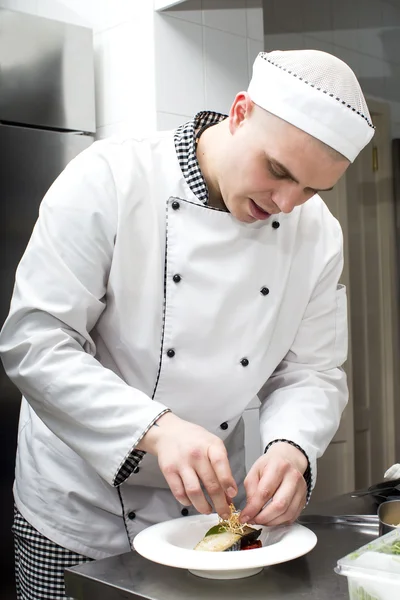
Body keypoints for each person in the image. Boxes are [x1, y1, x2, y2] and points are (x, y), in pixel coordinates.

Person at [0, 48, 374, 599]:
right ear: (240, 111)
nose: (287, 204)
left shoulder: (318, 233)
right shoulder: (111, 178)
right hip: (79, 510)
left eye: (313, 189)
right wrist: (159, 429)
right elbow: (36, 340)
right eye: (278, 171)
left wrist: (292, 447)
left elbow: (313, 371)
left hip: (214, 520)